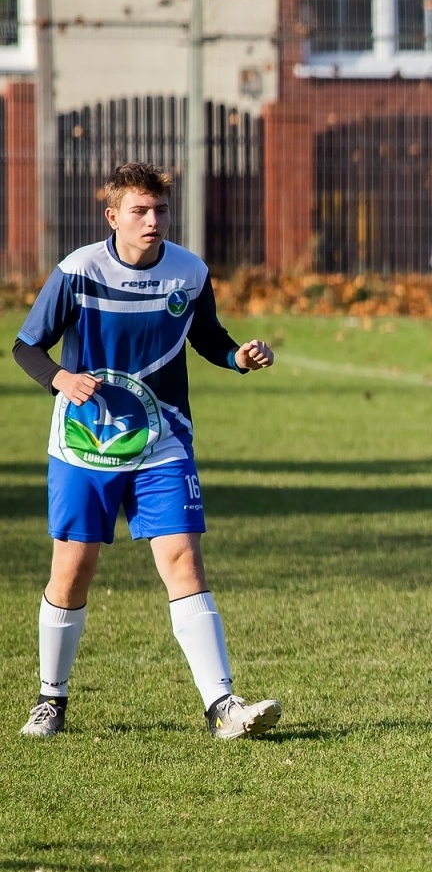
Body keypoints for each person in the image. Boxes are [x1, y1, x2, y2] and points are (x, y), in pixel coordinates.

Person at [10, 161, 283, 741]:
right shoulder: (79, 270)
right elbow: (27, 346)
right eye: (139, 211)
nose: (152, 220)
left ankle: (222, 708)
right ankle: (50, 700)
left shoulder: (188, 271)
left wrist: (240, 357)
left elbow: (208, 338)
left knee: (183, 558)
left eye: (160, 210)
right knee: (74, 568)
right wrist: (61, 379)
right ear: (113, 217)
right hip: (85, 445)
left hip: (162, 440)